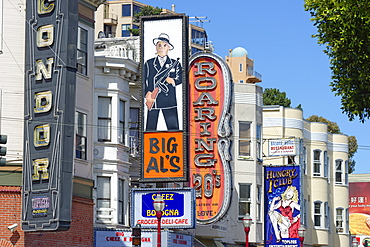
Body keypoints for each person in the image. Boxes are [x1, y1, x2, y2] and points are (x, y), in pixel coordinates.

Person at [144, 33, 182, 131]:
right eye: (159, 45)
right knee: (150, 129)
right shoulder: (149, 63)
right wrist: (147, 93)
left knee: (173, 129)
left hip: (169, 100)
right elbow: (144, 80)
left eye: (164, 45)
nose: (161, 48)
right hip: (154, 99)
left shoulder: (175, 63)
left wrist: (172, 80)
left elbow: (181, 78)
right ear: (156, 47)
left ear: (169, 47)